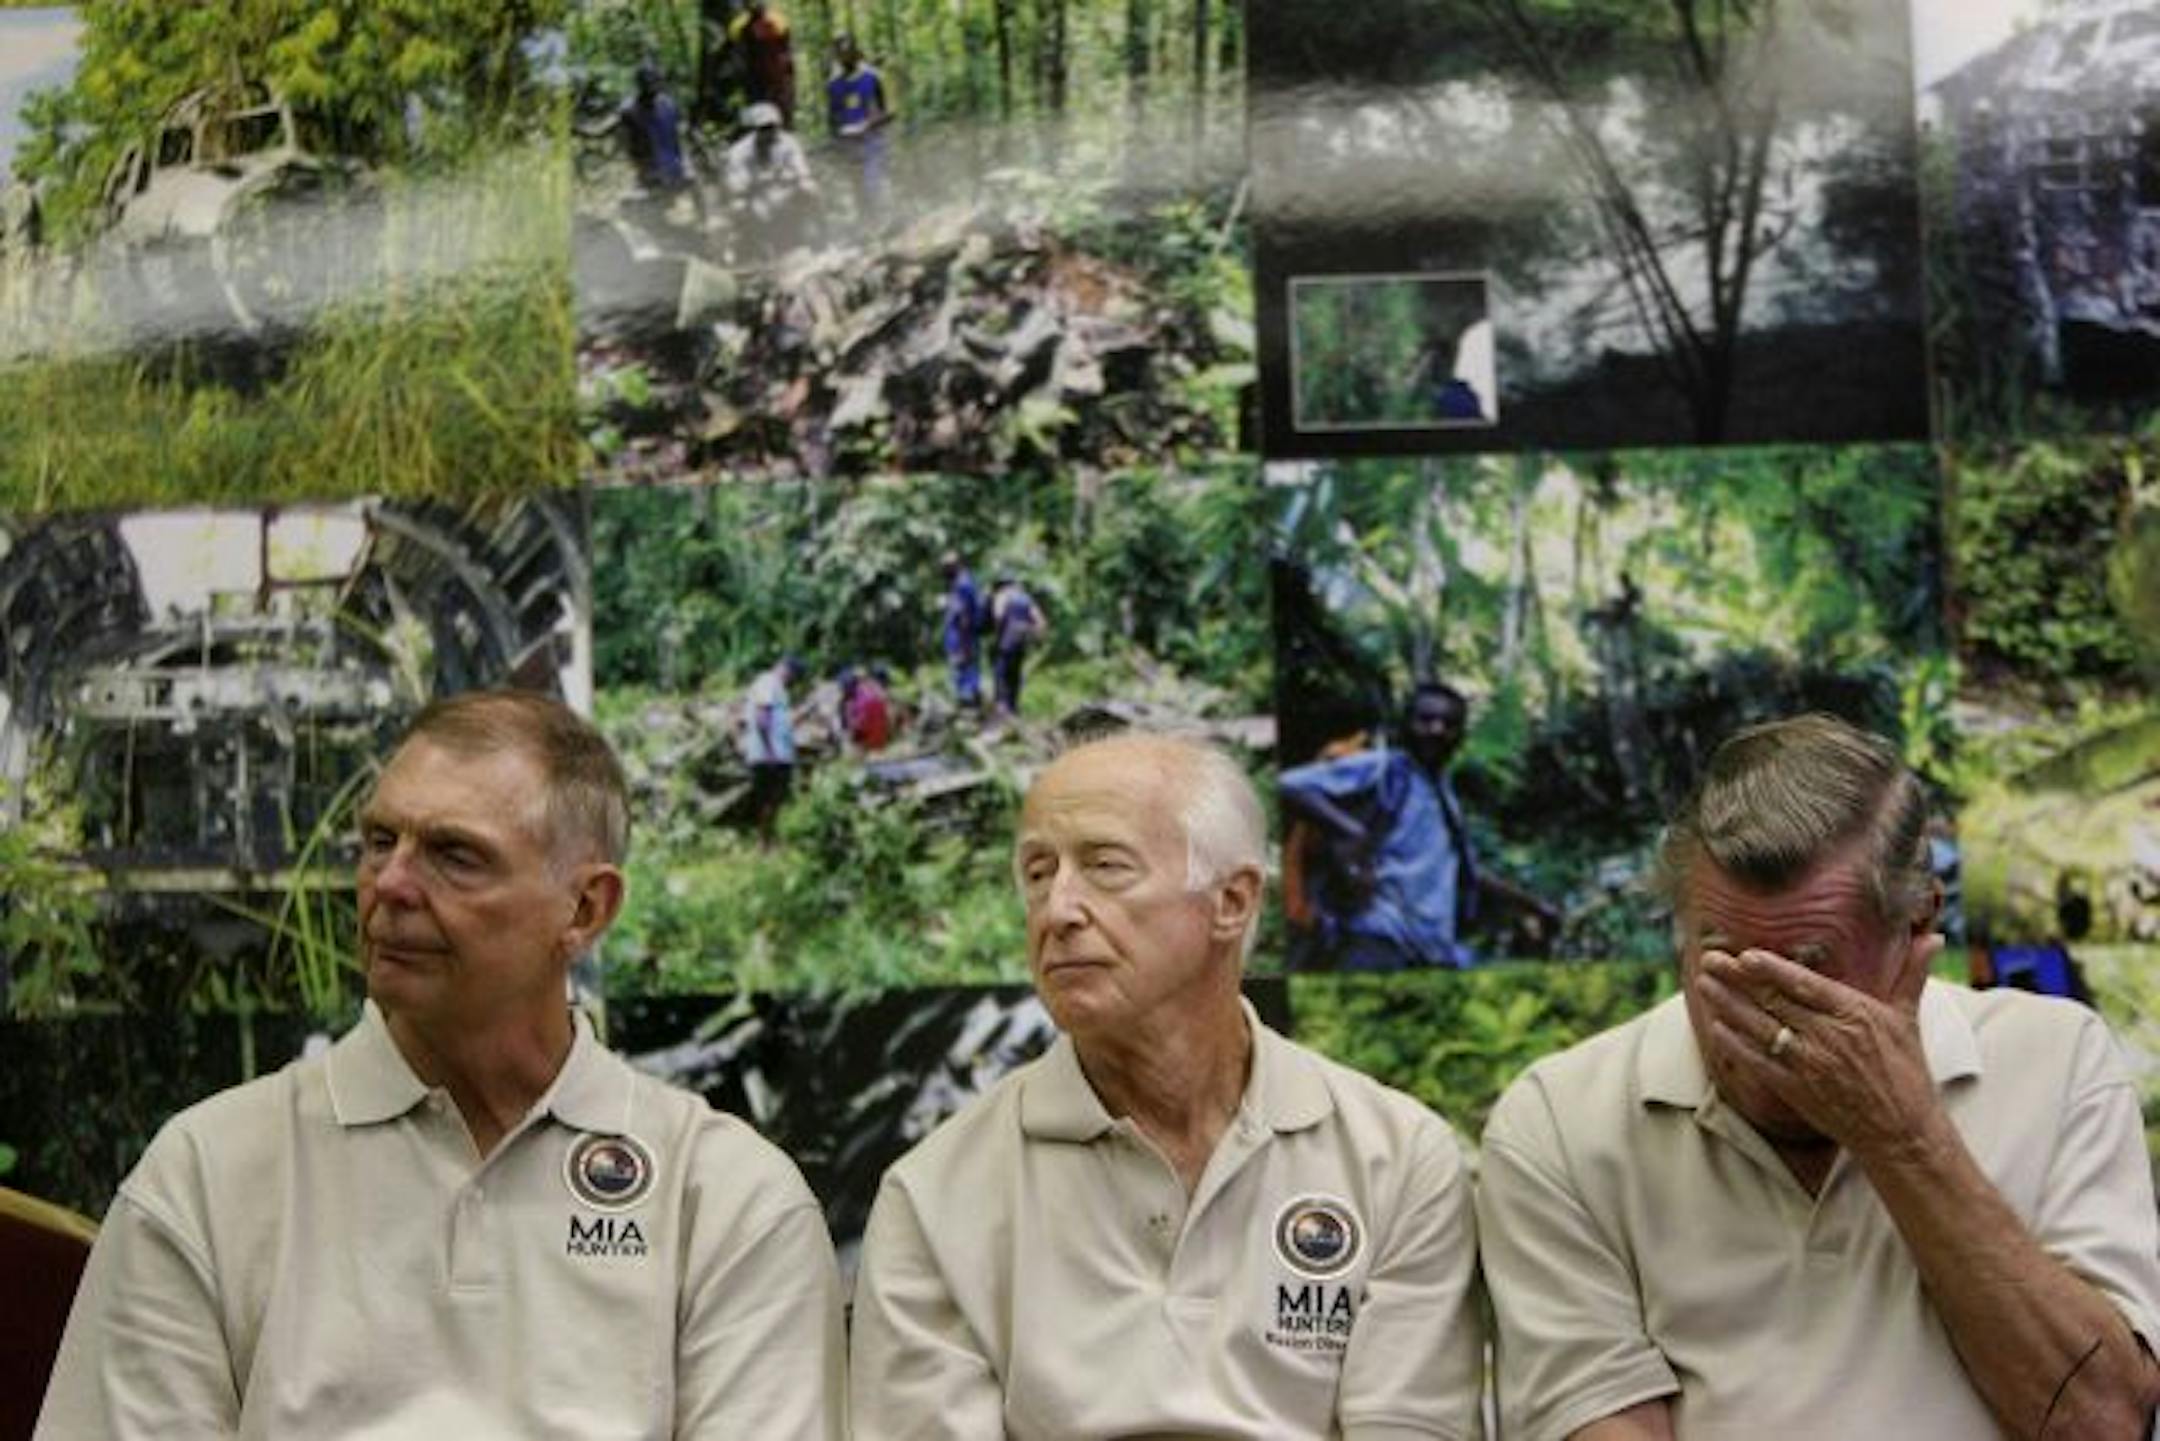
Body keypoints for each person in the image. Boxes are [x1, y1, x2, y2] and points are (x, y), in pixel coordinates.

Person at [35, 691, 846, 1438]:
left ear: (585, 907)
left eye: (454, 855)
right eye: (380, 840)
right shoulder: (207, 1175)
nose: (389, 883)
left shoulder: (729, 1203)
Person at [1476, 713, 2160, 1440]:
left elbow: (2104, 1420)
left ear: (1917, 923)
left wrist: (1904, 1135)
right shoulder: (1560, 1118)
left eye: (1806, 969)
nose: (1759, 1013)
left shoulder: (2055, 1060)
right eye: (1724, 962)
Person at [850, 732, 1486, 1439]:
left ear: (1232, 902)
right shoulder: (936, 1195)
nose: (1057, 910)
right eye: (1037, 872)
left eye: (1105, 866)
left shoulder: (1394, 1157)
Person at [1279, 680, 1556, 969]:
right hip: (1377, 939)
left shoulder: (1444, 793)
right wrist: (1350, 830)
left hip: (1430, 950)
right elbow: (1289, 786)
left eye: (1449, 723)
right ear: (1405, 725)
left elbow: (1464, 872)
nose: (1437, 729)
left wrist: (1534, 906)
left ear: (1461, 735)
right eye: (1426, 720)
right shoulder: (1383, 769)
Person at [724, 102, 818, 260]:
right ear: (755, 130)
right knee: (738, 206)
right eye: (764, 129)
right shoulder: (739, 152)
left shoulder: (789, 143)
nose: (769, 133)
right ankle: (749, 245)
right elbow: (738, 187)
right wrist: (767, 181)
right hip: (757, 198)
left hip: (784, 193)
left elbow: (802, 171)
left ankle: (815, 238)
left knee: (810, 188)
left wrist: (799, 180)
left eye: (772, 127)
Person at [824, 34, 892, 225]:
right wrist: (837, 136)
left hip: (873, 141)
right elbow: (832, 119)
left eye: (848, 52)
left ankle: (885, 224)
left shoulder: (873, 77)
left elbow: (890, 112)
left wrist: (867, 125)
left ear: (856, 52)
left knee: (874, 185)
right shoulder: (833, 85)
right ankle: (868, 229)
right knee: (857, 190)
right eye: (840, 54)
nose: (845, 57)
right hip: (850, 146)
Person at [744, 654, 802, 845]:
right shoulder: (767, 682)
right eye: (792, 674)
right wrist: (770, 751)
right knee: (768, 800)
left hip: (778, 754)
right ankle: (764, 843)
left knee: (775, 800)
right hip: (769, 755)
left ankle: (770, 841)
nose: (792, 679)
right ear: (785, 668)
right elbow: (762, 717)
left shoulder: (778, 687)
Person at [620, 60, 691, 193]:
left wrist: (685, 163)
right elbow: (627, 146)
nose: (652, 86)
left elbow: (679, 136)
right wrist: (641, 169)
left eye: (654, 82)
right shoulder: (629, 111)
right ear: (639, 84)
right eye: (648, 83)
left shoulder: (668, 104)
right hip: (650, 171)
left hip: (674, 167)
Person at [728, 0, 798, 130]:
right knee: (759, 113)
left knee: (782, 112)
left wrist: (790, 82)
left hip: (777, 79)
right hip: (755, 80)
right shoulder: (740, 27)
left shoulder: (778, 22)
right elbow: (738, 55)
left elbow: (788, 54)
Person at [989, 574, 1045, 719]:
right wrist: (1037, 639)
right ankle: (1013, 708)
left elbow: (998, 615)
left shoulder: (1002, 595)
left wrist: (997, 634)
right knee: (1015, 673)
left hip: (1007, 639)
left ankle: (1001, 707)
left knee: (1001, 672)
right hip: (1022, 640)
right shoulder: (1026, 598)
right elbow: (1040, 621)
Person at [940, 553, 986, 716]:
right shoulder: (960, 584)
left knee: (965, 673)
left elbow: (964, 616)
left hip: (962, 639)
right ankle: (969, 705)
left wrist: (963, 644)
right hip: (961, 638)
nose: (944, 571)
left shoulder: (963, 584)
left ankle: (969, 708)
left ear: (956, 565)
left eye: (947, 567)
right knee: (964, 672)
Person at [837, 664, 892, 753]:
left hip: (870, 738)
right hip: (876, 736)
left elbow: (857, 725)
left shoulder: (861, 697)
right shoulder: (870, 690)